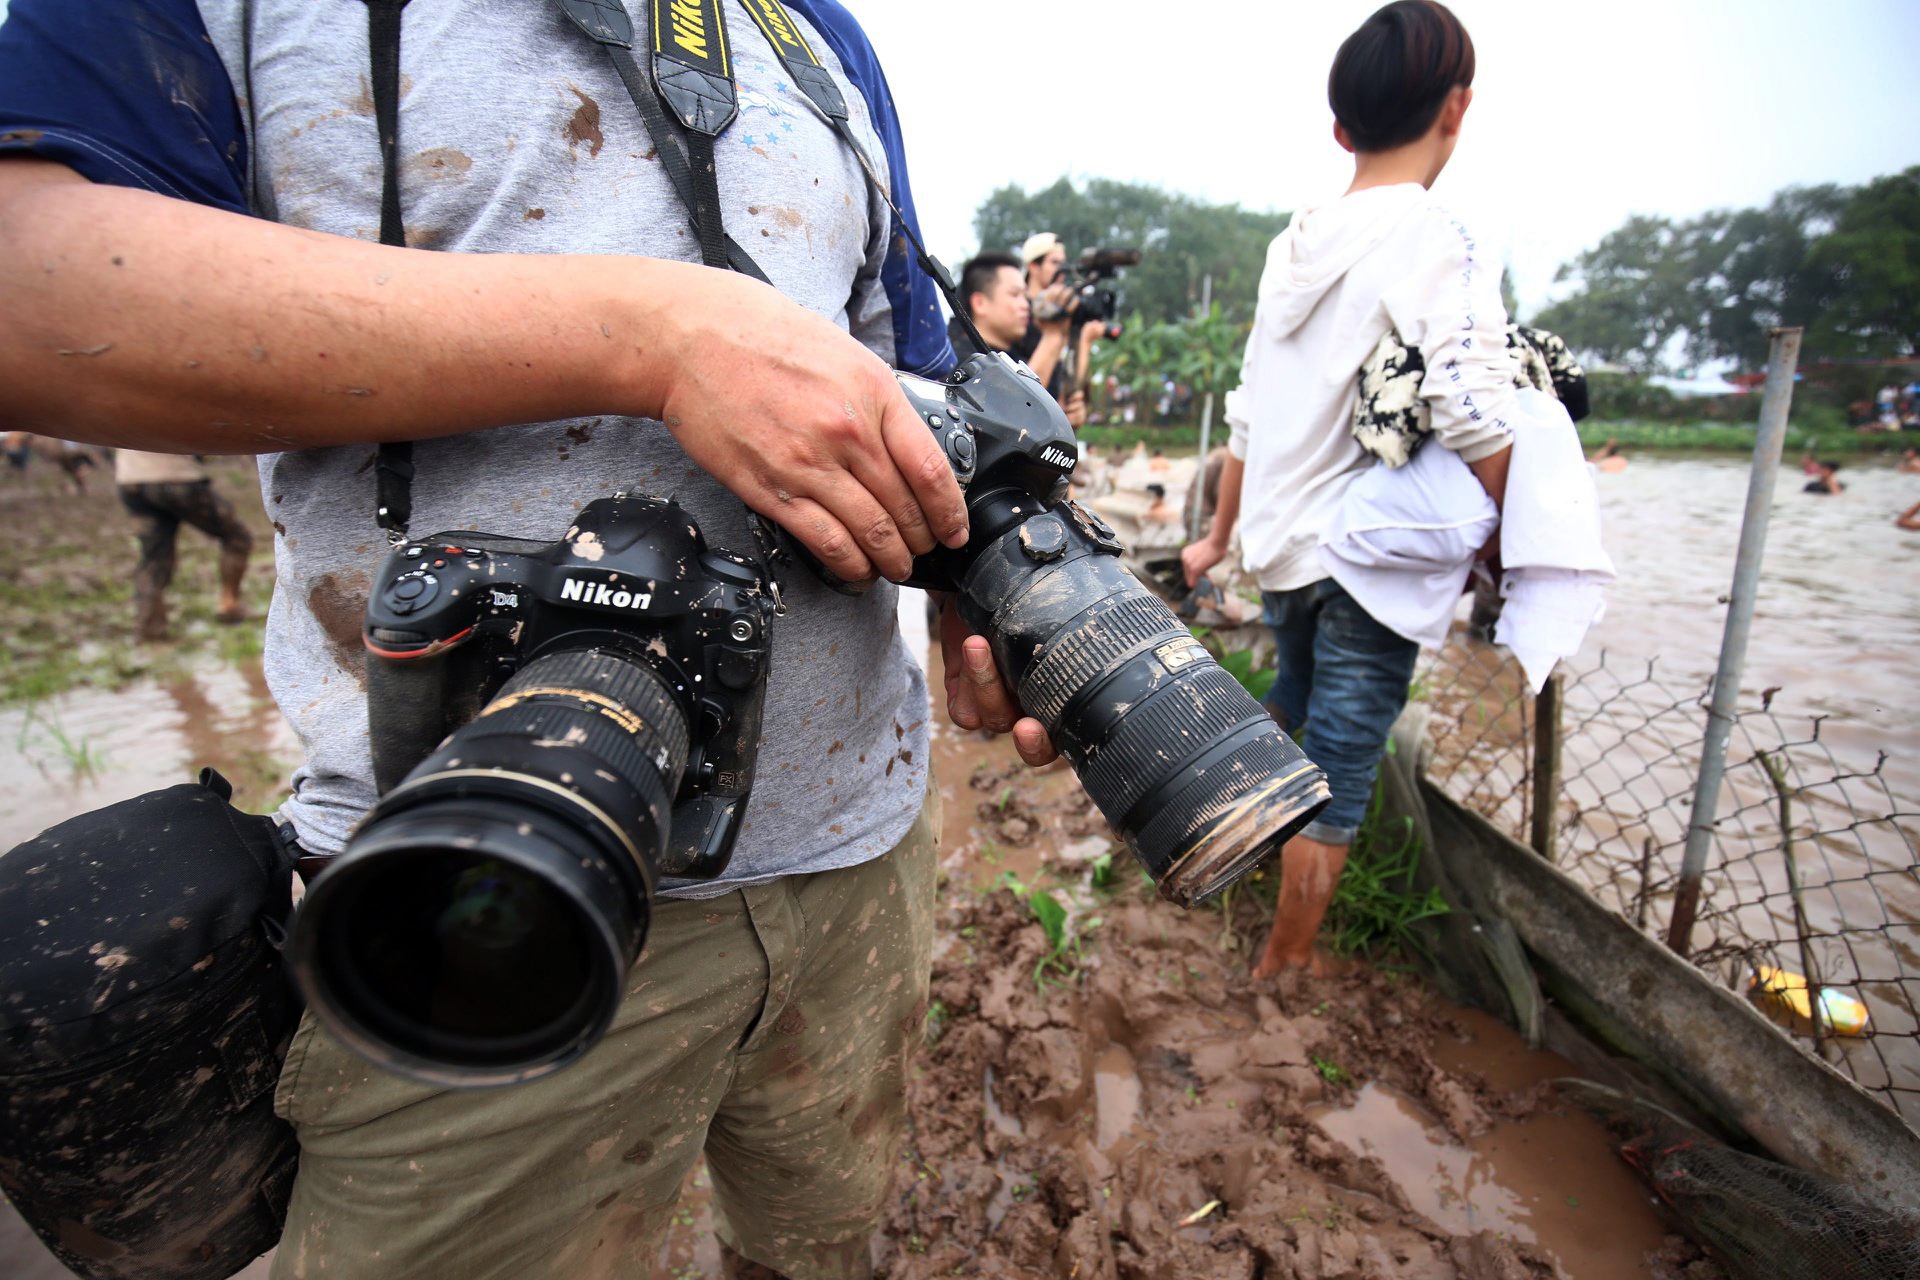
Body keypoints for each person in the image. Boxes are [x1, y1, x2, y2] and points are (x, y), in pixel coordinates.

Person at [0, 3, 1056, 1276]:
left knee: (818, 1237)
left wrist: (984, 571)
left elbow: (911, 374)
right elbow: (26, 281)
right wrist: (655, 339)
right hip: (463, 885)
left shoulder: (819, 30)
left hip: (857, 847)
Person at [1181, 0, 1514, 977]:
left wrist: (1220, 536)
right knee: (1339, 775)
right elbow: (1474, 408)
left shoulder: (1293, 247)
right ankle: (1282, 968)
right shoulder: (1437, 232)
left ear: (1341, 129)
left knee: (1288, 702)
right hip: (1365, 558)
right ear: (1456, 107)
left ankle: (1203, 837)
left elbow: (1249, 415)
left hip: (1283, 548)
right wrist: (1509, 545)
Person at [114, 448, 254, 641]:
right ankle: (229, 604)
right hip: (176, 479)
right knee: (237, 538)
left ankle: (149, 629)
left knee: (153, 558)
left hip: (131, 481)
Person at [949, 250, 1088, 426]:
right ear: (980, 303)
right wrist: (1052, 337)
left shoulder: (1021, 358)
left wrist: (1064, 421)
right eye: (1015, 295)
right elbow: (1011, 419)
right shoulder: (958, 362)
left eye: (1025, 295)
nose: (1025, 305)